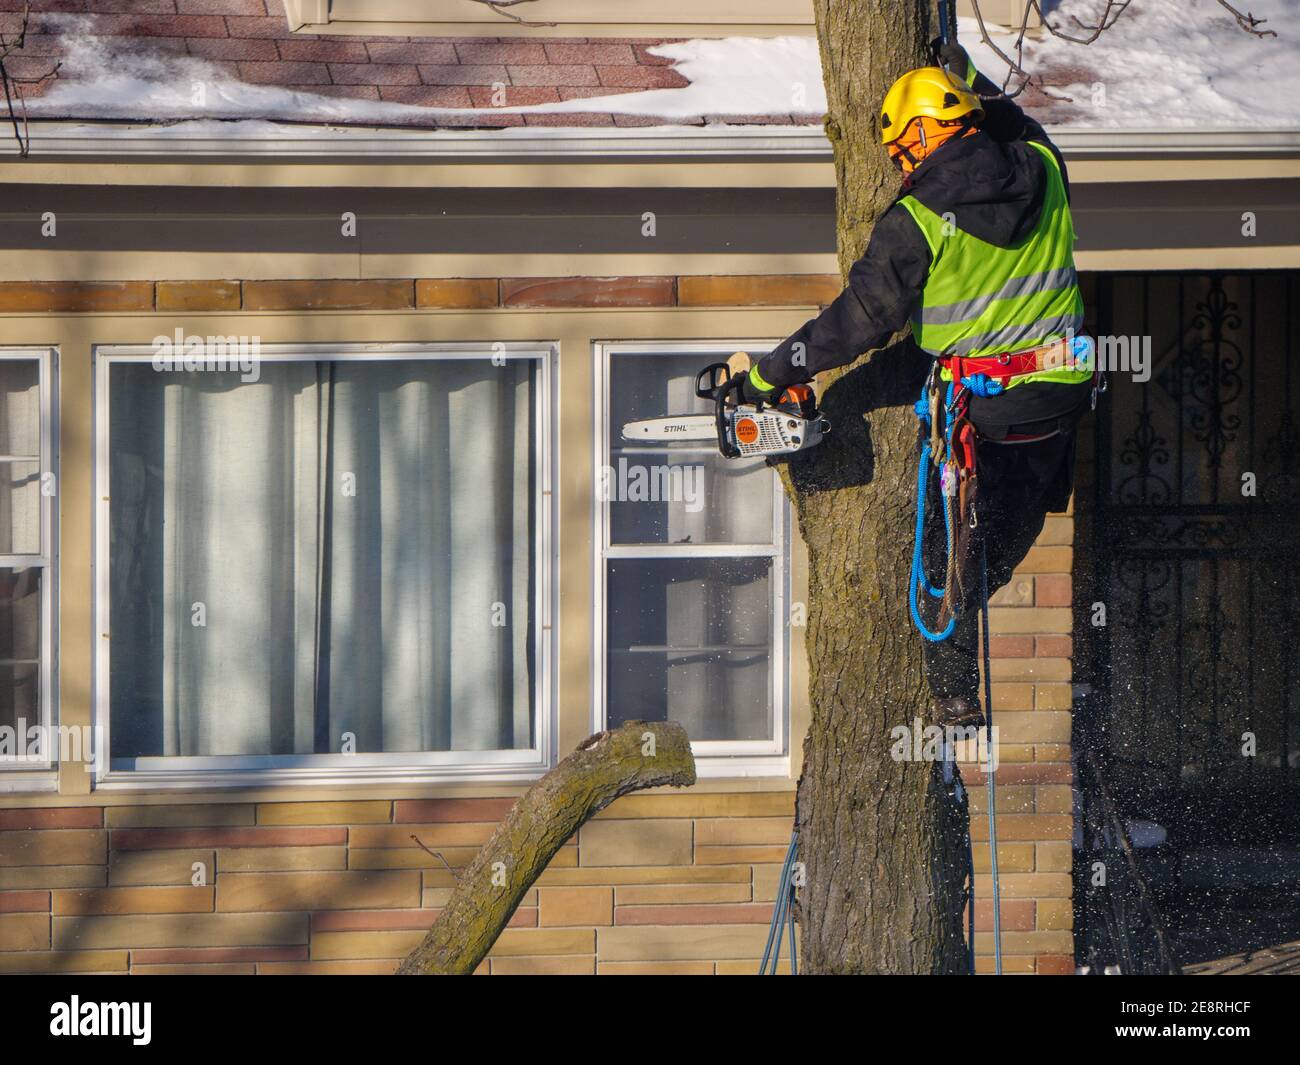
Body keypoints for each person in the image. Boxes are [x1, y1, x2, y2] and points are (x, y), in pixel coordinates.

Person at [726, 42, 1097, 727]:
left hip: (983, 409)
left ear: (926, 133)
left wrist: (767, 372)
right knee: (1007, 529)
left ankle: (953, 689)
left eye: (901, 149)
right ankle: (976, 596)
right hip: (1062, 395)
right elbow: (1016, 120)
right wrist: (969, 75)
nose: (900, 163)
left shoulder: (918, 219)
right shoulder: (1044, 165)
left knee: (942, 556)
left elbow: (858, 320)